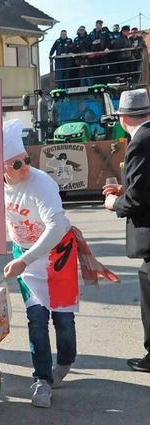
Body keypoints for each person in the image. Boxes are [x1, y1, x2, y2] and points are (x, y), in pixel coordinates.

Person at [2, 119, 78, 408]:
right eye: (17, 164)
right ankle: (42, 380)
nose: (25, 166)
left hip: (57, 257)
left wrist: (25, 260)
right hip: (26, 257)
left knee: (63, 318)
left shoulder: (41, 183)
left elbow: (56, 227)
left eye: (27, 160)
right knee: (36, 319)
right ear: (2, 168)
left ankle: (66, 360)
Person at [103, 88, 150, 373]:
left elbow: (137, 200)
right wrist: (127, 189)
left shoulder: (140, 141)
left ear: (123, 118)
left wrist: (114, 202)